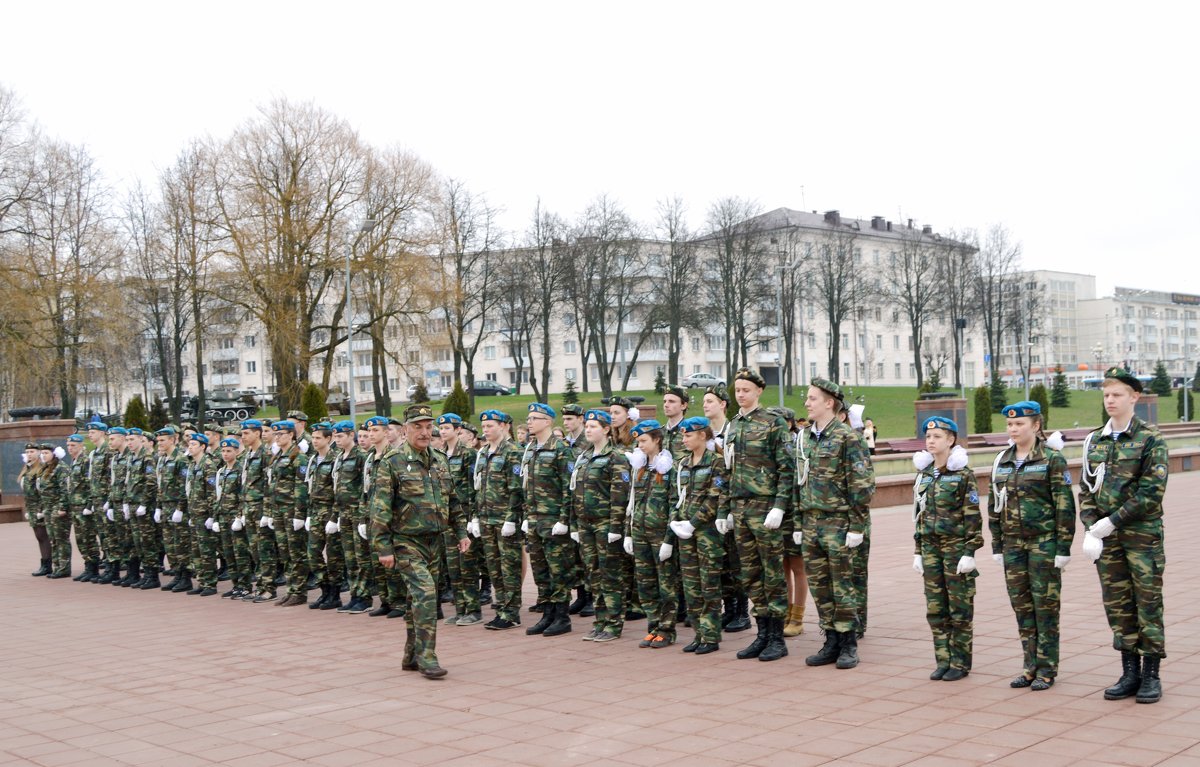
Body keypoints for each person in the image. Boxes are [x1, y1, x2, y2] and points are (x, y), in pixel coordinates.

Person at [1078, 367, 1169, 704]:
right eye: (1106, 395)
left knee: (1147, 603)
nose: (1110, 400)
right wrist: (1091, 527)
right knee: (1118, 605)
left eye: (1117, 394)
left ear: (1135, 397)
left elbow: (1151, 492)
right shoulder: (1095, 440)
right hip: (1107, 539)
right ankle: (1129, 672)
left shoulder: (1150, 438)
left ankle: (1151, 675)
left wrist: (1111, 521)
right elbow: (1086, 488)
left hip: (1141, 537)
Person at [370, 403, 470, 679]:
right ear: (405, 430)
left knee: (420, 598)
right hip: (406, 541)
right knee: (426, 593)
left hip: (435, 541)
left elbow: (452, 500)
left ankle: (411, 654)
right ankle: (427, 656)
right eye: (418, 427)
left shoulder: (439, 459)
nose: (425, 432)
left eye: (428, 427)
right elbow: (379, 508)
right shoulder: (392, 462)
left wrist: (461, 531)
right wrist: (383, 547)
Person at [989, 400, 1075, 690]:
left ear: (1036, 425)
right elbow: (995, 506)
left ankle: (1047, 669)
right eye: (1010, 425)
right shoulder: (1002, 460)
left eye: (1019, 424)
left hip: (1043, 544)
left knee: (1045, 608)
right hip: (1013, 546)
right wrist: (997, 545)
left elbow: (1064, 506)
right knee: (1022, 608)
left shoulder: (1052, 459)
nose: (1013, 429)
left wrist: (1063, 547)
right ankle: (1029, 666)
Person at [798, 378, 875, 669]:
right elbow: (799, 480)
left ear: (829, 403)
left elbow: (863, 485)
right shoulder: (804, 437)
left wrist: (856, 526)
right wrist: (797, 522)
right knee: (821, 586)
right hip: (811, 522)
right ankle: (829, 638)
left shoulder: (847, 437)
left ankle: (848, 643)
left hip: (839, 523)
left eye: (812, 398)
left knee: (843, 585)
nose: (807, 403)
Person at [721, 368, 793, 662]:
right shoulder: (734, 425)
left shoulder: (773, 423)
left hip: (765, 509)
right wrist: (726, 508)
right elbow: (728, 470)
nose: (740, 395)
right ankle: (761, 632)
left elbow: (787, 467)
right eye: (737, 390)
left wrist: (779, 505)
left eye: (746, 390)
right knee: (750, 574)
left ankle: (777, 636)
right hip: (740, 508)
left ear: (758, 391)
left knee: (772, 574)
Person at [912, 416, 982, 681]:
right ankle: (943, 659)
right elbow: (918, 514)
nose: (931, 441)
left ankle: (960, 663)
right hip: (930, 549)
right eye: (928, 437)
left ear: (951, 440)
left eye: (937, 437)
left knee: (959, 608)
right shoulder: (925, 475)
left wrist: (970, 552)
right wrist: (918, 550)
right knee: (935, 608)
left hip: (955, 550)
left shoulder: (963, 475)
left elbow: (972, 517)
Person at [571, 409, 632, 642]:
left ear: (606, 429)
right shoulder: (584, 456)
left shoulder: (616, 456)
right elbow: (574, 491)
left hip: (606, 524)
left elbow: (619, 496)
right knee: (593, 574)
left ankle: (614, 623)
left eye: (593, 426)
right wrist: (574, 523)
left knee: (610, 575)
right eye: (586, 425)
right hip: (585, 525)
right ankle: (600, 620)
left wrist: (616, 528)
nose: (587, 429)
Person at [668, 417, 725, 654]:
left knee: (709, 584)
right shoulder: (682, 464)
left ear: (703, 435)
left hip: (707, 533)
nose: (684, 440)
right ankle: (698, 634)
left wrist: (693, 523)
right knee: (690, 585)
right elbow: (675, 497)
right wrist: (675, 521)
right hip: (685, 532)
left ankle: (711, 636)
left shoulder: (717, 463)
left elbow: (715, 497)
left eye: (688, 435)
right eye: (682, 436)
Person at [520, 403, 575, 637]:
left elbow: (568, 487)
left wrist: (564, 519)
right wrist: (525, 516)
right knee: (540, 569)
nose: (529, 421)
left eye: (535, 418)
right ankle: (548, 613)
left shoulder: (561, 448)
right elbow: (527, 485)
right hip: (534, 519)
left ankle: (562, 617)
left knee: (557, 570)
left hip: (553, 521)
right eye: (529, 418)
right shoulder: (531, 448)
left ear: (548, 422)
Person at [626, 420, 680, 648]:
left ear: (657, 439)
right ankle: (653, 626)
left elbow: (675, 504)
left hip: (660, 535)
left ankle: (667, 630)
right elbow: (631, 502)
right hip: (640, 533)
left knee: (665, 584)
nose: (640, 446)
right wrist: (628, 532)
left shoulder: (669, 468)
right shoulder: (639, 468)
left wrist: (669, 538)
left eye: (644, 441)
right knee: (645, 583)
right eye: (638, 442)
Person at [471, 409, 525, 630]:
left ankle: (511, 612)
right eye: (483, 426)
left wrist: (512, 519)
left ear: (504, 426)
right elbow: (478, 487)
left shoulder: (512, 452)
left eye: (490, 426)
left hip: (504, 520)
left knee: (509, 566)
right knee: (494, 567)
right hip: (486, 518)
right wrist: (475, 516)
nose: (486, 430)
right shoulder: (483, 453)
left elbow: (516, 490)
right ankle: (501, 606)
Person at [702, 384, 749, 633]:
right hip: (708, 505)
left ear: (722, 404)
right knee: (717, 563)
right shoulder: (702, 432)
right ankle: (727, 608)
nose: (705, 405)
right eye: (704, 401)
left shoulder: (734, 430)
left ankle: (742, 611)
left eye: (710, 401)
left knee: (735, 561)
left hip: (730, 504)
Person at [437, 413, 482, 625]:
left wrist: (473, 516)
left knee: (468, 564)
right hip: (446, 517)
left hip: (464, 515)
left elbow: (475, 487)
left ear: (458, 430)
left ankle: (473, 609)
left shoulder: (468, 454)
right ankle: (460, 608)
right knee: (453, 566)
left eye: (447, 428)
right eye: (441, 428)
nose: (443, 431)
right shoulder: (438, 454)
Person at [331, 420, 371, 614]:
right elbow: (336, 487)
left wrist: (363, 517)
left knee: (361, 556)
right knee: (349, 558)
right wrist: (335, 515)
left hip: (357, 513)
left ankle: (364, 597)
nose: (337, 440)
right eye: (335, 436)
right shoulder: (339, 457)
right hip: (344, 513)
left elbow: (365, 488)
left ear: (350, 435)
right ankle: (355, 594)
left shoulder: (361, 456)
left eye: (340, 436)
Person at [304, 422, 344, 610]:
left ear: (328, 439)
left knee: (334, 556)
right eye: (313, 438)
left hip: (330, 511)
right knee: (313, 553)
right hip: (315, 512)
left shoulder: (335, 459)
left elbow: (339, 491)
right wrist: (308, 514)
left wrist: (334, 517)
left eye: (318, 438)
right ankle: (324, 589)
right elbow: (309, 488)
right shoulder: (313, 460)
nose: (314, 441)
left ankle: (335, 594)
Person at [213, 436, 251, 599]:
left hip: (235, 517)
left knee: (240, 553)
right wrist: (215, 517)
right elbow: (218, 496)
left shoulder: (240, 470)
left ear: (236, 451)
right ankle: (236, 584)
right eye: (223, 451)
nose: (225, 454)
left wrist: (239, 516)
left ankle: (245, 585)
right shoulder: (221, 472)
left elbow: (243, 495)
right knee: (228, 553)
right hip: (223, 516)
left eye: (229, 451)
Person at [183, 433, 218, 597]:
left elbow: (212, 493)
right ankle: (202, 580)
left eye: (193, 444)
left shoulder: (208, 465)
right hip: (195, 513)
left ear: (203, 447)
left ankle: (210, 583)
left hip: (204, 514)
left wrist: (212, 515)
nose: (190, 447)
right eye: (189, 444)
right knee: (196, 550)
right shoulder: (192, 465)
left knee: (206, 550)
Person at [66, 434, 101, 582]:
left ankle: (94, 567)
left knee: (88, 537)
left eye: (73, 445)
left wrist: (89, 505)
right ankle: (88, 566)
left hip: (84, 506)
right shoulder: (74, 461)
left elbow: (89, 485)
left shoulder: (86, 460)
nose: (70, 448)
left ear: (81, 445)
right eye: (68, 445)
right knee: (81, 538)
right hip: (75, 505)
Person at [39, 443, 72, 579]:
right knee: (53, 539)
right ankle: (57, 566)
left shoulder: (61, 468)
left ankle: (64, 568)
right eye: (42, 453)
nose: (43, 455)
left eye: (46, 453)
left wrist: (63, 507)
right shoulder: (46, 468)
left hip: (58, 508)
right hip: (49, 508)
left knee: (61, 538)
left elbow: (65, 489)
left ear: (54, 454)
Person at [20, 442, 51, 577]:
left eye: (32, 451)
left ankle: (47, 564)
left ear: (38, 453)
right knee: (39, 537)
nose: (29, 454)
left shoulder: (42, 469)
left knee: (43, 536)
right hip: (32, 508)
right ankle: (44, 563)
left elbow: (43, 491)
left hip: (40, 508)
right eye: (27, 452)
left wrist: (42, 510)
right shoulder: (28, 468)